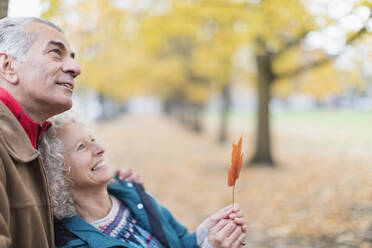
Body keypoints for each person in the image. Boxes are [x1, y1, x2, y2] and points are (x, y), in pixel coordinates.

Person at [0, 17, 141, 248]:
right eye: (56, 52)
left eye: (72, 58)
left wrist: (116, 187)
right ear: (8, 66)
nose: (76, 69)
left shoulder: (37, 139)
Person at [39, 112, 248, 248]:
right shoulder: (72, 242)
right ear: (57, 171)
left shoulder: (132, 193)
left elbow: (180, 242)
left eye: (93, 139)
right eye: (82, 147)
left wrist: (206, 233)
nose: (100, 149)